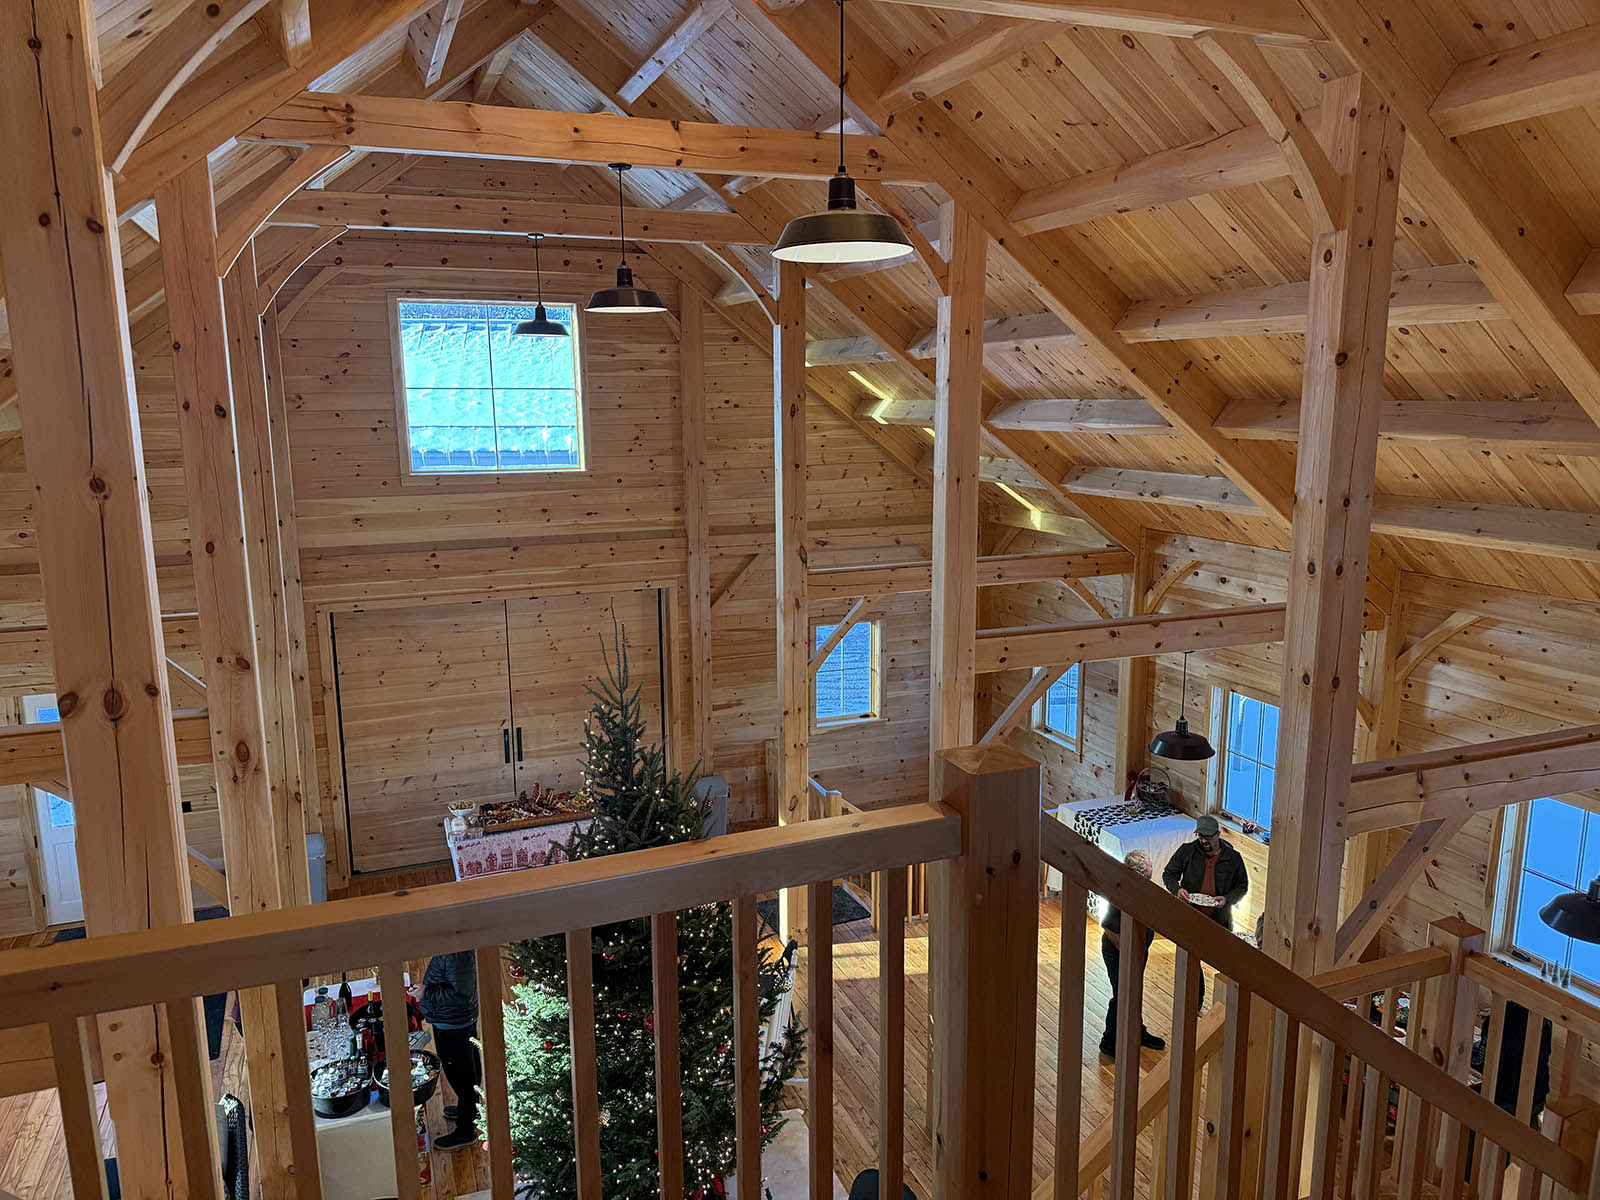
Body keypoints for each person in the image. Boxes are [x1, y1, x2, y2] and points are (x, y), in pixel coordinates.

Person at [1162, 814, 1249, 1005]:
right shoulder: (1187, 851)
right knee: (1191, 961)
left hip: (1219, 919)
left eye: (1208, 836)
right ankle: (1195, 1001)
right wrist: (1177, 890)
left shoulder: (1233, 858)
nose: (1203, 840)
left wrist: (1227, 900)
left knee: (1227, 961)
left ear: (1217, 834)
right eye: (1200, 836)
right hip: (1190, 917)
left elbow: (1242, 886)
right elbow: (1169, 874)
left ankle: (1229, 1004)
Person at [1099, 849, 1165, 1060]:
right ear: (1141, 872)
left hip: (1136, 951)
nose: (1152, 869)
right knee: (1122, 994)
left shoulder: (1142, 889)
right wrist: (1127, 950)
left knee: (1133, 992)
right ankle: (1109, 1042)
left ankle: (1137, 1031)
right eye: (1149, 867)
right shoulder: (1121, 892)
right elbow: (1108, 927)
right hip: (1119, 952)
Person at [419, 950, 481, 1150]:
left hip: (454, 1023)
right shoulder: (453, 947)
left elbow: (461, 995)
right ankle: (470, 1110)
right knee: (469, 1068)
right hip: (456, 1020)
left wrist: (425, 993)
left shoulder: (456, 953)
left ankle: (466, 1130)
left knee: (462, 1077)